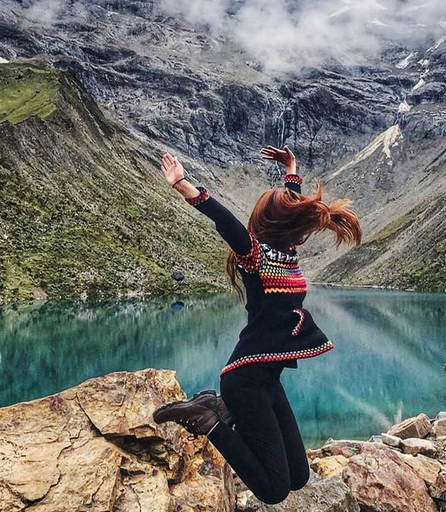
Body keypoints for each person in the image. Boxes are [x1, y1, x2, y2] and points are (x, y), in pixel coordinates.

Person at [153, 145, 362, 504]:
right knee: (273, 490)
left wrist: (291, 169)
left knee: (299, 476)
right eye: (298, 224)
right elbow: (225, 221)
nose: (304, 233)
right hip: (244, 381)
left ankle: (219, 411)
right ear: (282, 225)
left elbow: (290, 205)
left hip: (268, 380)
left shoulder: (286, 252)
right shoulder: (255, 256)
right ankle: (208, 419)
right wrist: (182, 184)